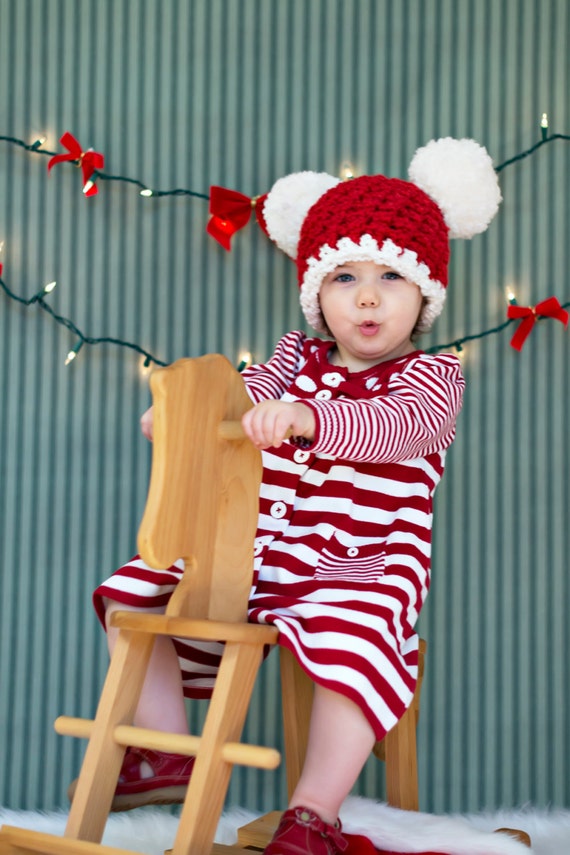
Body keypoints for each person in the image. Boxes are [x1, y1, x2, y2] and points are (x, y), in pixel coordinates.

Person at [73, 138, 501, 855]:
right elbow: (240, 404)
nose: (366, 295)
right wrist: (181, 419)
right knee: (134, 589)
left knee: (355, 635)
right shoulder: (290, 360)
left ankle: (313, 812)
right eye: (344, 278)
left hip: (361, 565)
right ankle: (169, 749)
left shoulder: (432, 378)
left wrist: (310, 420)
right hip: (260, 553)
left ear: (424, 296)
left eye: (391, 276)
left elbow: (398, 430)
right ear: (316, 293)